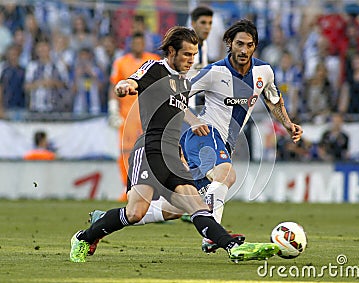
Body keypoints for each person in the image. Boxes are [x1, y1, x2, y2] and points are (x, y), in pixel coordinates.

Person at [91, 19, 303, 255]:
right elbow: (175, 92)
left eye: (249, 45)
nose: (243, 50)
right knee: (226, 174)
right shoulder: (213, 72)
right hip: (204, 134)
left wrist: (287, 123)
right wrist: (190, 120)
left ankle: (103, 221)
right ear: (229, 44)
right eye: (239, 44)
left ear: (255, 47)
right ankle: (215, 238)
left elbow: (273, 100)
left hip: (221, 143)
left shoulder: (264, 72)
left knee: (174, 208)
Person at [108, 32, 160, 202]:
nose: (138, 45)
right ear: (131, 44)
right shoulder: (121, 62)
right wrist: (113, 109)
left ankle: (150, 188)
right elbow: (113, 86)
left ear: (144, 43)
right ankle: (127, 187)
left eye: (140, 42)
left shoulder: (153, 61)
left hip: (147, 113)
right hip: (126, 115)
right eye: (135, 42)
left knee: (149, 151)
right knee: (125, 151)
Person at [187, 6, 213, 108]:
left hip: (199, 103)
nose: (207, 27)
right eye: (203, 23)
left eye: (210, 23)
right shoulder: (185, 46)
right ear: (193, 23)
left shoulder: (204, 45)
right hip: (185, 105)